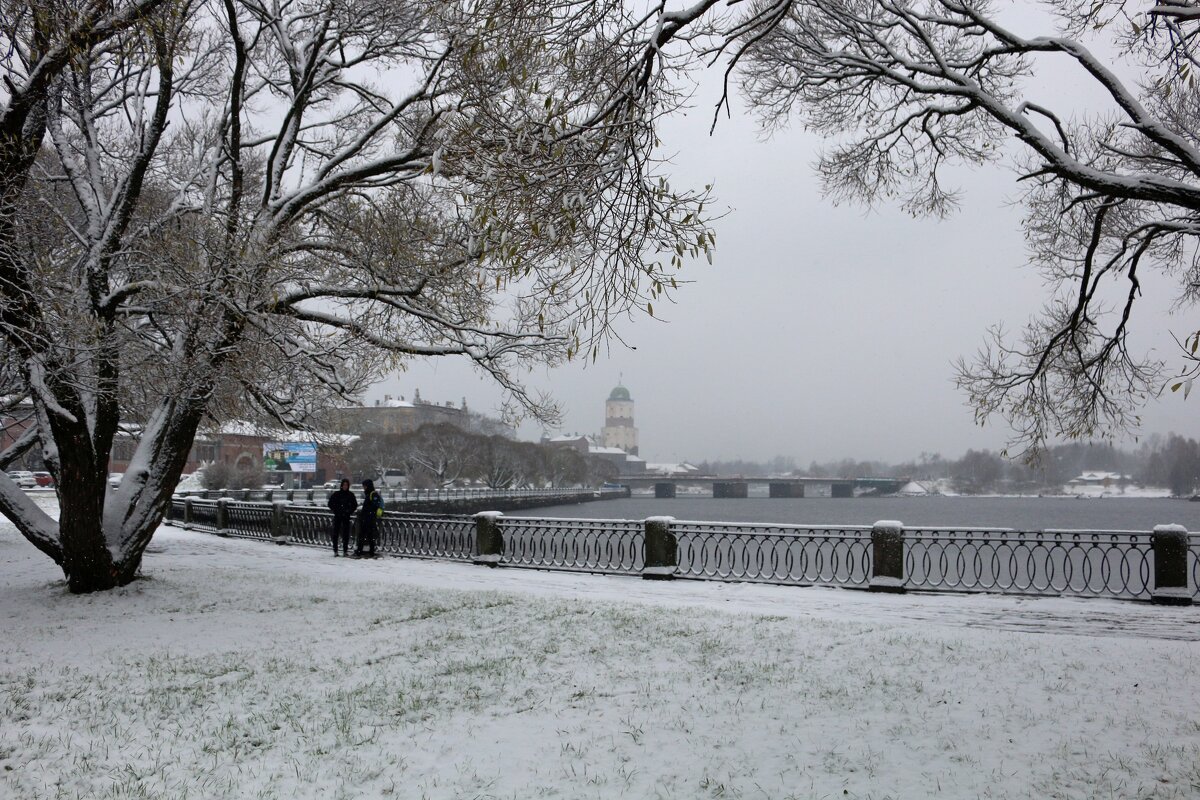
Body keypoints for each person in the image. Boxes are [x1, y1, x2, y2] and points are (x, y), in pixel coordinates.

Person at [326, 479, 356, 556]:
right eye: (344, 485)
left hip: (346, 516)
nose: (345, 486)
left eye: (346, 485)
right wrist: (336, 510)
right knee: (336, 533)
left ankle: (345, 551)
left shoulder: (350, 495)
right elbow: (330, 503)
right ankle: (335, 550)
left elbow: (354, 505)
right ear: (341, 485)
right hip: (338, 516)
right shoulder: (337, 494)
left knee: (346, 534)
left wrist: (349, 511)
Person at [356, 478, 384, 558]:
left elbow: (373, 506)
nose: (364, 488)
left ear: (368, 486)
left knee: (367, 536)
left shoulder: (372, 494)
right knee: (366, 535)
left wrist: (368, 512)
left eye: (364, 486)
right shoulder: (369, 494)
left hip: (369, 519)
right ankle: (362, 551)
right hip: (367, 518)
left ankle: (366, 552)